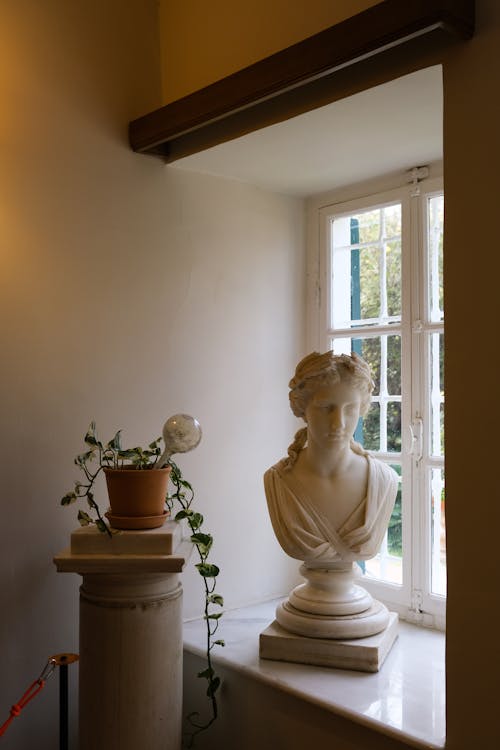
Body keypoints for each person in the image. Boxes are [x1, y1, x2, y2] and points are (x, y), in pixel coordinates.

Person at [264, 351, 398, 568]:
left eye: (350, 409)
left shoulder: (384, 480)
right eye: (326, 408)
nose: (339, 423)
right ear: (303, 409)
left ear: (361, 408)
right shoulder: (278, 480)